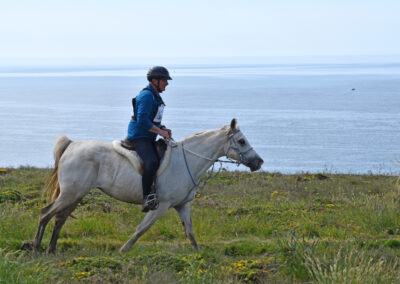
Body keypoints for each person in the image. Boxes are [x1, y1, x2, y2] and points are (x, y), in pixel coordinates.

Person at [127, 66, 172, 212]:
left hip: (148, 137)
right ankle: (147, 197)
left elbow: (153, 119)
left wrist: (163, 128)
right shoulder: (147, 96)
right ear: (155, 81)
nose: (167, 83)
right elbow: (142, 121)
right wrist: (160, 132)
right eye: (164, 80)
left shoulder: (155, 96)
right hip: (139, 137)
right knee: (151, 162)